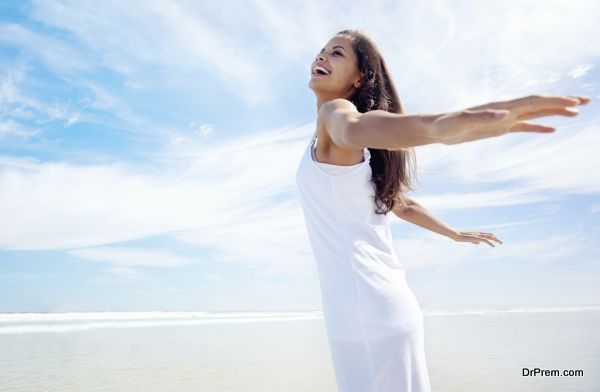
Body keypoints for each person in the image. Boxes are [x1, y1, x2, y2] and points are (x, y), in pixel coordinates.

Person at [294, 28, 590, 392]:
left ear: (359, 78)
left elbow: (359, 126)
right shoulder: (340, 148)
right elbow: (402, 204)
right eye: (322, 50)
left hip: (370, 316)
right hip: (357, 316)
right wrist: (454, 233)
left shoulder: (337, 115)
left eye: (336, 53)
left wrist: (444, 127)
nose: (322, 56)